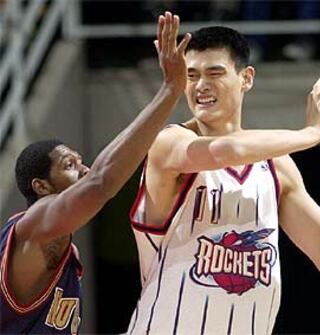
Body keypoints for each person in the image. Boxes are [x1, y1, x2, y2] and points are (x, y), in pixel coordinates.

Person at [127, 25, 320, 334]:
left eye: (214, 74)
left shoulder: (276, 167)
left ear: (246, 78)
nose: (200, 85)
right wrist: (309, 134)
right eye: (191, 76)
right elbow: (224, 151)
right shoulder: (170, 143)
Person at [0, 12, 190, 334]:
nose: (83, 168)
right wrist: (170, 91)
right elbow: (102, 180)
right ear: (41, 187)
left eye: (80, 160)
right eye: (69, 165)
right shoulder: (36, 224)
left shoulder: (65, 248)